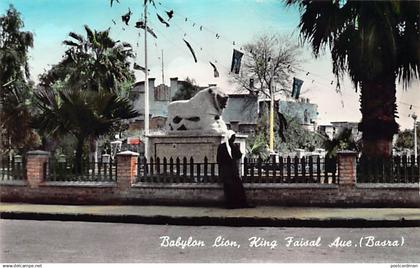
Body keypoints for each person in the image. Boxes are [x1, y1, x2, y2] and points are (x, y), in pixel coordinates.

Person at [217, 130, 253, 209]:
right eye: (233, 137)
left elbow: (239, 155)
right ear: (229, 137)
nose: (234, 139)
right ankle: (231, 204)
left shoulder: (234, 146)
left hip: (233, 171)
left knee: (239, 187)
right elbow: (219, 159)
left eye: (234, 137)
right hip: (226, 171)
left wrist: (233, 146)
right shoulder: (222, 147)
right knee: (229, 188)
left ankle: (242, 203)